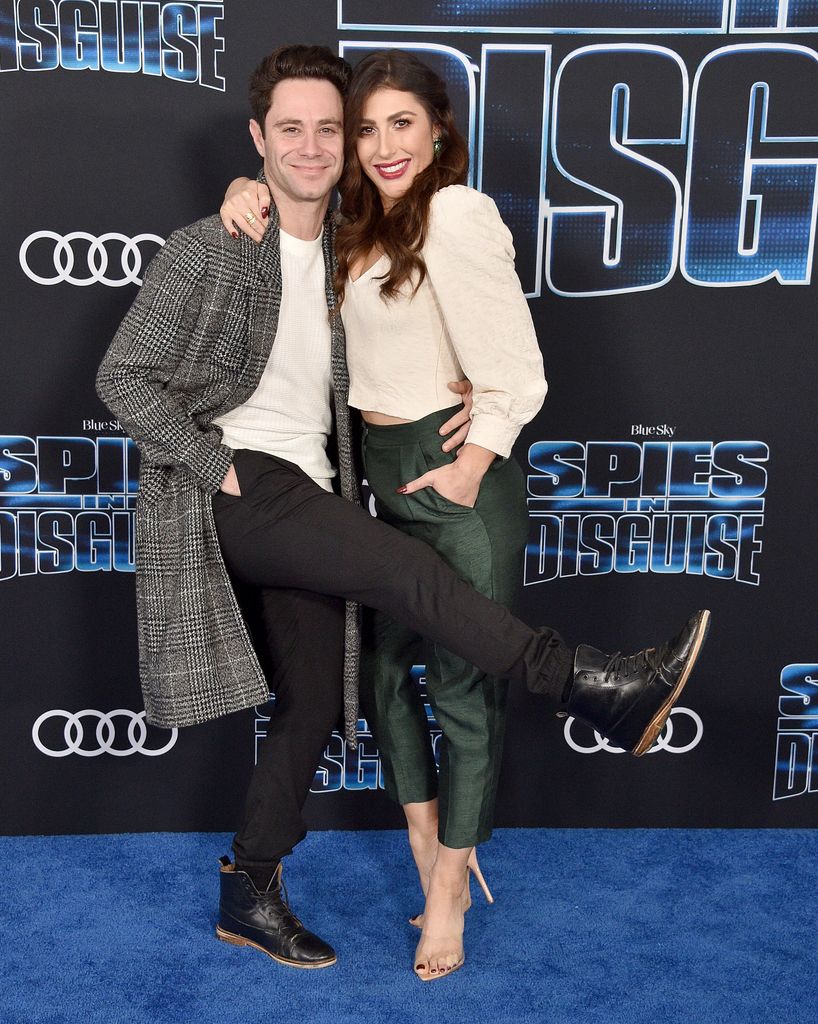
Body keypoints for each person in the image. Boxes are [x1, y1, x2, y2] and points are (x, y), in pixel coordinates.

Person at [98, 44, 709, 981]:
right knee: (409, 573)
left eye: (328, 130)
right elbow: (121, 378)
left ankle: (248, 889)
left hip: (314, 484)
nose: (311, 147)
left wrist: (471, 401)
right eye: (288, 130)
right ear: (258, 139)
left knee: (308, 706)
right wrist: (213, 459)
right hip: (243, 483)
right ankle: (592, 683)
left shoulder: (353, 232)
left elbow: (413, 317)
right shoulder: (212, 244)